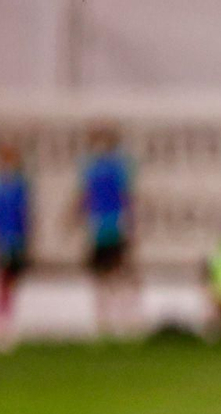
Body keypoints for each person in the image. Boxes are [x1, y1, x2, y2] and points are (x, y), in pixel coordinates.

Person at [75, 124, 139, 337]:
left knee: (120, 272)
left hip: (115, 223)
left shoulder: (119, 166)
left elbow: (126, 195)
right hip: (98, 225)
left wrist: (130, 224)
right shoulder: (89, 167)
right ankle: (104, 321)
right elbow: (85, 196)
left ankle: (125, 318)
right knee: (100, 274)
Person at [0, 141, 30, 350]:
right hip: (3, 239)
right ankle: (1, 324)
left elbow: (24, 215)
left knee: (11, 282)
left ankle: (6, 322)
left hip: (16, 239)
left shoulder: (19, 185)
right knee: (5, 281)